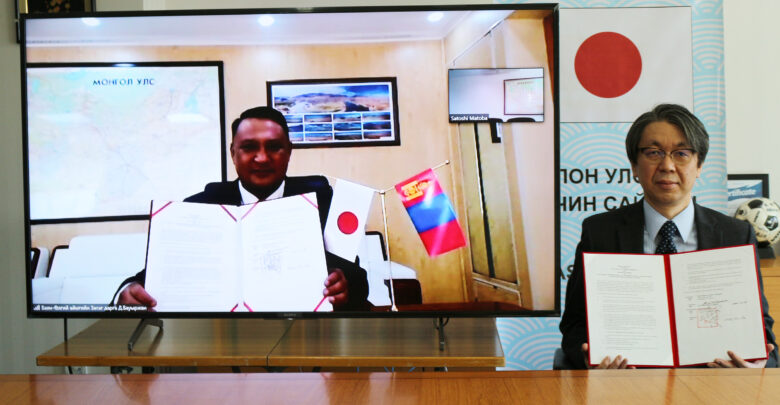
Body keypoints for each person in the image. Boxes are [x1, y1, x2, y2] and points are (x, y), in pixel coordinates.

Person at [559, 103, 778, 369]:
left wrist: (755, 364)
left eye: (681, 153)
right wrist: (588, 358)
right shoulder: (600, 232)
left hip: (712, 382)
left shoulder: (735, 234)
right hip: (628, 382)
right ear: (634, 165)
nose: (667, 165)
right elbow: (574, 326)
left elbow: (760, 330)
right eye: (654, 153)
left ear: (699, 165)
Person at [115, 106, 369, 310]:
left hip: (306, 341)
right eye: (249, 148)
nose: (262, 158)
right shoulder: (198, 208)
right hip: (222, 343)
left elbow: (357, 281)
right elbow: (146, 280)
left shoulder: (324, 205)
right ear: (233, 153)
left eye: (274, 147)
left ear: (289, 152)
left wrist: (344, 287)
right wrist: (126, 294)